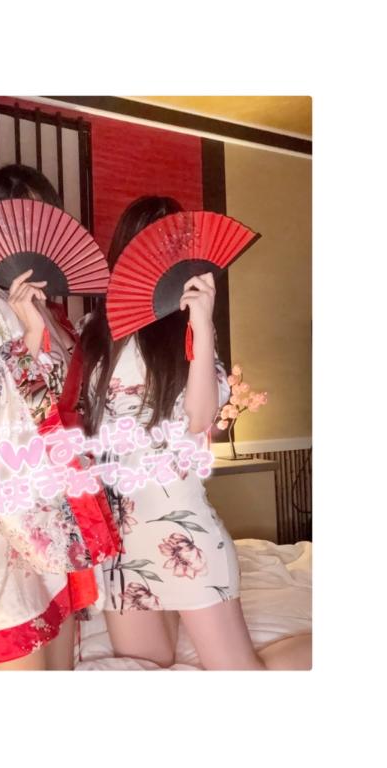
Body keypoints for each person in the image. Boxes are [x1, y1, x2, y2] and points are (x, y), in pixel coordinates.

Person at [78, 196, 312, 670]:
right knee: (147, 667)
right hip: (120, 538)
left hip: (182, 527)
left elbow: (200, 419)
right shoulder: (95, 330)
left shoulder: (187, 330)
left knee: (239, 676)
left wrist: (203, 325)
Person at [0, 164, 117, 671]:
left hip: (57, 513)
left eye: (43, 217)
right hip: (11, 519)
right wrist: (29, 341)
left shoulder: (61, 318)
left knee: (61, 670)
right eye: (15, 220)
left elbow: (67, 410)